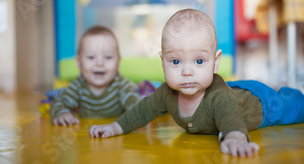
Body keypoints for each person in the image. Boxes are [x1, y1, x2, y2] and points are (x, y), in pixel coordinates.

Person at [88, 9, 304, 157]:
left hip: (261, 104)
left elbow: (231, 117)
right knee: (237, 92)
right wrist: (115, 127)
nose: (187, 71)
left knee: (291, 106)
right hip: (236, 89)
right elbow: (143, 110)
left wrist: (235, 138)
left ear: (215, 62)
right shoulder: (166, 93)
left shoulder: (219, 97)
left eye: (199, 61)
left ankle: (294, 93)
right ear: (163, 63)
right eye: (176, 61)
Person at [50, 25, 141, 126]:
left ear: (118, 62)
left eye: (108, 57)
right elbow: (59, 102)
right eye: (91, 57)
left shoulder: (120, 83)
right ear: (79, 62)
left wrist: (137, 111)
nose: (100, 63)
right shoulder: (78, 85)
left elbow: (133, 101)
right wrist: (62, 113)